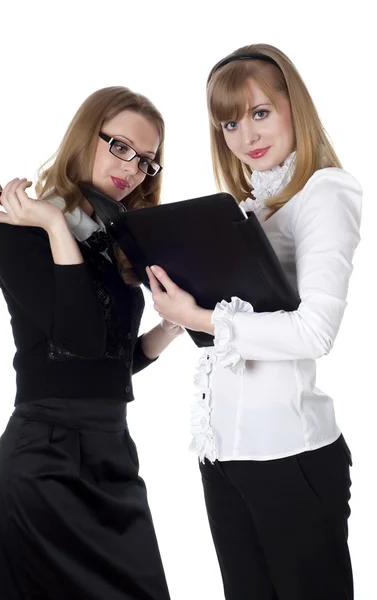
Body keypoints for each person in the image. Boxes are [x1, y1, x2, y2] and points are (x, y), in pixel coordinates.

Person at [146, 44, 362, 600]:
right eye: (230, 123)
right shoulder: (252, 209)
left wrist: (200, 315)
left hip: (289, 454)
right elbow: (229, 326)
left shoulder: (325, 192)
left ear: (296, 107)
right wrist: (179, 309)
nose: (246, 136)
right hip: (224, 453)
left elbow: (316, 331)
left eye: (260, 112)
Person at [0, 86, 183, 600]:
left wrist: (171, 327)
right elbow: (74, 340)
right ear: (85, 135)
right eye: (120, 146)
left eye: (146, 161)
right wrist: (53, 223)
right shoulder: (20, 230)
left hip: (112, 455)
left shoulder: (112, 241)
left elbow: (109, 359)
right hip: (43, 463)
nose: (133, 169)